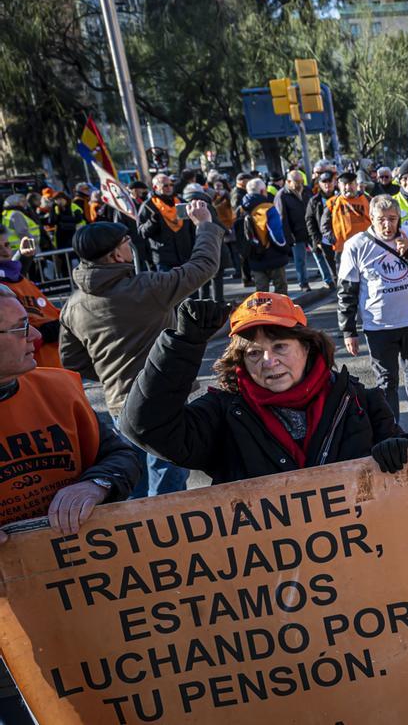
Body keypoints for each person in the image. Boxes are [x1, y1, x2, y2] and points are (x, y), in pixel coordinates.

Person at [0, 285, 142, 725]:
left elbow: (123, 455)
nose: (36, 338)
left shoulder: (57, 388)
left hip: (83, 595)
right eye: (21, 327)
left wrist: (95, 484)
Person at [121, 293, 408, 482]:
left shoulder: (360, 401)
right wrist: (181, 345)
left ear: (308, 347)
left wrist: (400, 451)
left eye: (280, 346)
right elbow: (144, 427)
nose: (268, 361)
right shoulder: (224, 414)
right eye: (253, 353)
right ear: (241, 361)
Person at [60, 204, 220, 497]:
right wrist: (205, 225)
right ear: (114, 256)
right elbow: (203, 266)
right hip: (163, 403)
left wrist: (110, 371)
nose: (131, 249)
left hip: (120, 404)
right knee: (167, 491)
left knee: (133, 487)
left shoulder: (73, 305)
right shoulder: (148, 288)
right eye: (127, 244)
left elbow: (70, 359)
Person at [338, 196, 408, 437]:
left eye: (392, 219)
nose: (387, 226)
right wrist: (348, 330)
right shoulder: (356, 245)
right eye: (381, 220)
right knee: (386, 379)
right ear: (371, 218)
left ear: (399, 218)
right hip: (378, 325)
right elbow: (346, 291)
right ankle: (391, 425)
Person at [0, 222, 61, 368]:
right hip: (31, 370)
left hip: (53, 363)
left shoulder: (15, 276)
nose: (6, 252)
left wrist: (24, 258)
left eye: (7, 245)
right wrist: (53, 330)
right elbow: (12, 339)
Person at [238, 178, 291, 294]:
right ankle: (280, 312)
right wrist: (286, 249)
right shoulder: (268, 208)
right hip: (273, 256)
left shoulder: (241, 210)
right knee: (281, 291)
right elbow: (276, 235)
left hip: (254, 257)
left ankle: (263, 313)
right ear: (262, 191)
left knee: (261, 294)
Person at [138, 173, 195, 271]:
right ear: (155, 187)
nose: (169, 188)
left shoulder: (181, 202)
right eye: (165, 185)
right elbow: (141, 232)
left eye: (171, 185)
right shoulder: (148, 205)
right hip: (164, 259)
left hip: (185, 255)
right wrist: (152, 221)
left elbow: (191, 228)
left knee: (190, 286)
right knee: (170, 287)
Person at [277, 170, 315, 292]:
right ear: (288, 182)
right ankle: (303, 283)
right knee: (300, 260)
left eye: (301, 181)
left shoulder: (307, 191)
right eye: (297, 182)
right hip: (295, 234)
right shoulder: (282, 195)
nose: (300, 184)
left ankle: (329, 279)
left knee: (320, 255)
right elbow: (282, 219)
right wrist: (289, 237)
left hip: (310, 230)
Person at [323, 170, 372, 257]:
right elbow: (324, 225)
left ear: (356, 185)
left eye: (351, 184)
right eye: (344, 184)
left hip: (366, 247)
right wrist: (334, 240)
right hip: (343, 250)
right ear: (338, 185)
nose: (348, 187)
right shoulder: (332, 202)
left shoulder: (368, 200)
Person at [305, 170, 339, 287]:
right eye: (323, 182)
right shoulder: (314, 201)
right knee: (335, 272)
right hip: (326, 242)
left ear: (334, 182)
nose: (327, 184)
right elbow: (310, 222)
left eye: (329, 181)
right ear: (319, 184)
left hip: (343, 239)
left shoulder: (341, 197)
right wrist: (318, 241)